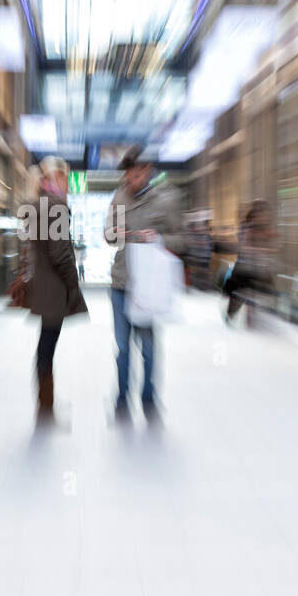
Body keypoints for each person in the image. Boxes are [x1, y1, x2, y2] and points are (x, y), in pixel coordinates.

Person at [104, 144, 185, 423]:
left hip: (149, 286)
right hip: (121, 282)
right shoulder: (119, 196)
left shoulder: (166, 199)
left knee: (148, 348)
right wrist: (116, 233)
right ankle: (121, 398)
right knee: (123, 347)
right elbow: (107, 235)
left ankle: (149, 398)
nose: (131, 180)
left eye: (136, 174)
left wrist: (158, 238)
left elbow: (180, 239)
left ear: (148, 171)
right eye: (127, 175)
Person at [25, 156, 88, 426]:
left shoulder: (38, 205)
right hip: (54, 289)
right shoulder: (55, 206)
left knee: (45, 344)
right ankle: (45, 404)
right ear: (55, 179)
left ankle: (45, 402)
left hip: (43, 287)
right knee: (47, 346)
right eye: (65, 178)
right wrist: (73, 281)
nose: (69, 183)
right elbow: (60, 253)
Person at [223, 199, 277, 326]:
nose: (264, 217)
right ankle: (232, 315)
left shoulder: (265, 228)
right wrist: (263, 249)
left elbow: (273, 244)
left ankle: (251, 322)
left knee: (253, 296)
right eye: (262, 214)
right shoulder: (246, 227)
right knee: (238, 297)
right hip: (243, 267)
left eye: (266, 215)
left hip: (259, 268)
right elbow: (242, 247)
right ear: (254, 215)